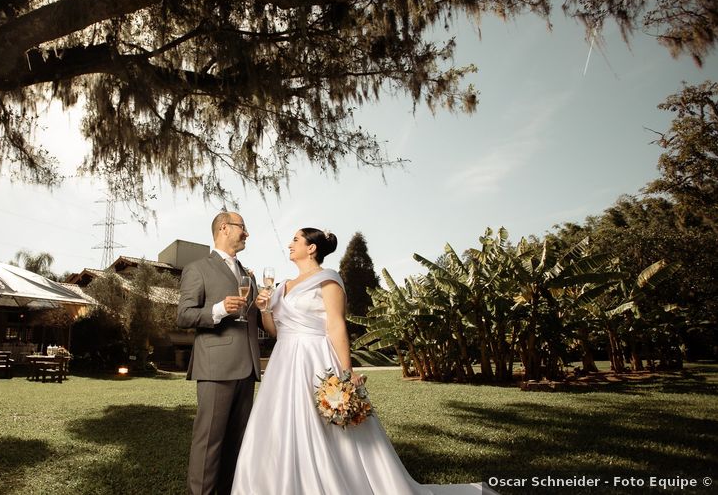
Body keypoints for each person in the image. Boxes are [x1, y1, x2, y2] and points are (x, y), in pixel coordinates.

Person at [232, 228, 497, 495]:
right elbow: (276, 330)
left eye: (296, 240)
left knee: (322, 424)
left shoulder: (328, 280)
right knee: (279, 422)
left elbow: (336, 326)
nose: (290, 245)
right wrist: (265, 308)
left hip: (314, 358)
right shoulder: (282, 286)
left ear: (311, 248)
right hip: (283, 362)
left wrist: (346, 374)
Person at [178, 211, 261, 495]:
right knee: (209, 442)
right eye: (243, 227)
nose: (247, 233)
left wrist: (264, 304)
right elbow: (184, 315)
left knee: (237, 443)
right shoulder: (198, 268)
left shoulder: (248, 274)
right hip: (215, 366)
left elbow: (255, 319)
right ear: (224, 228)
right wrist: (219, 309)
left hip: (247, 367)